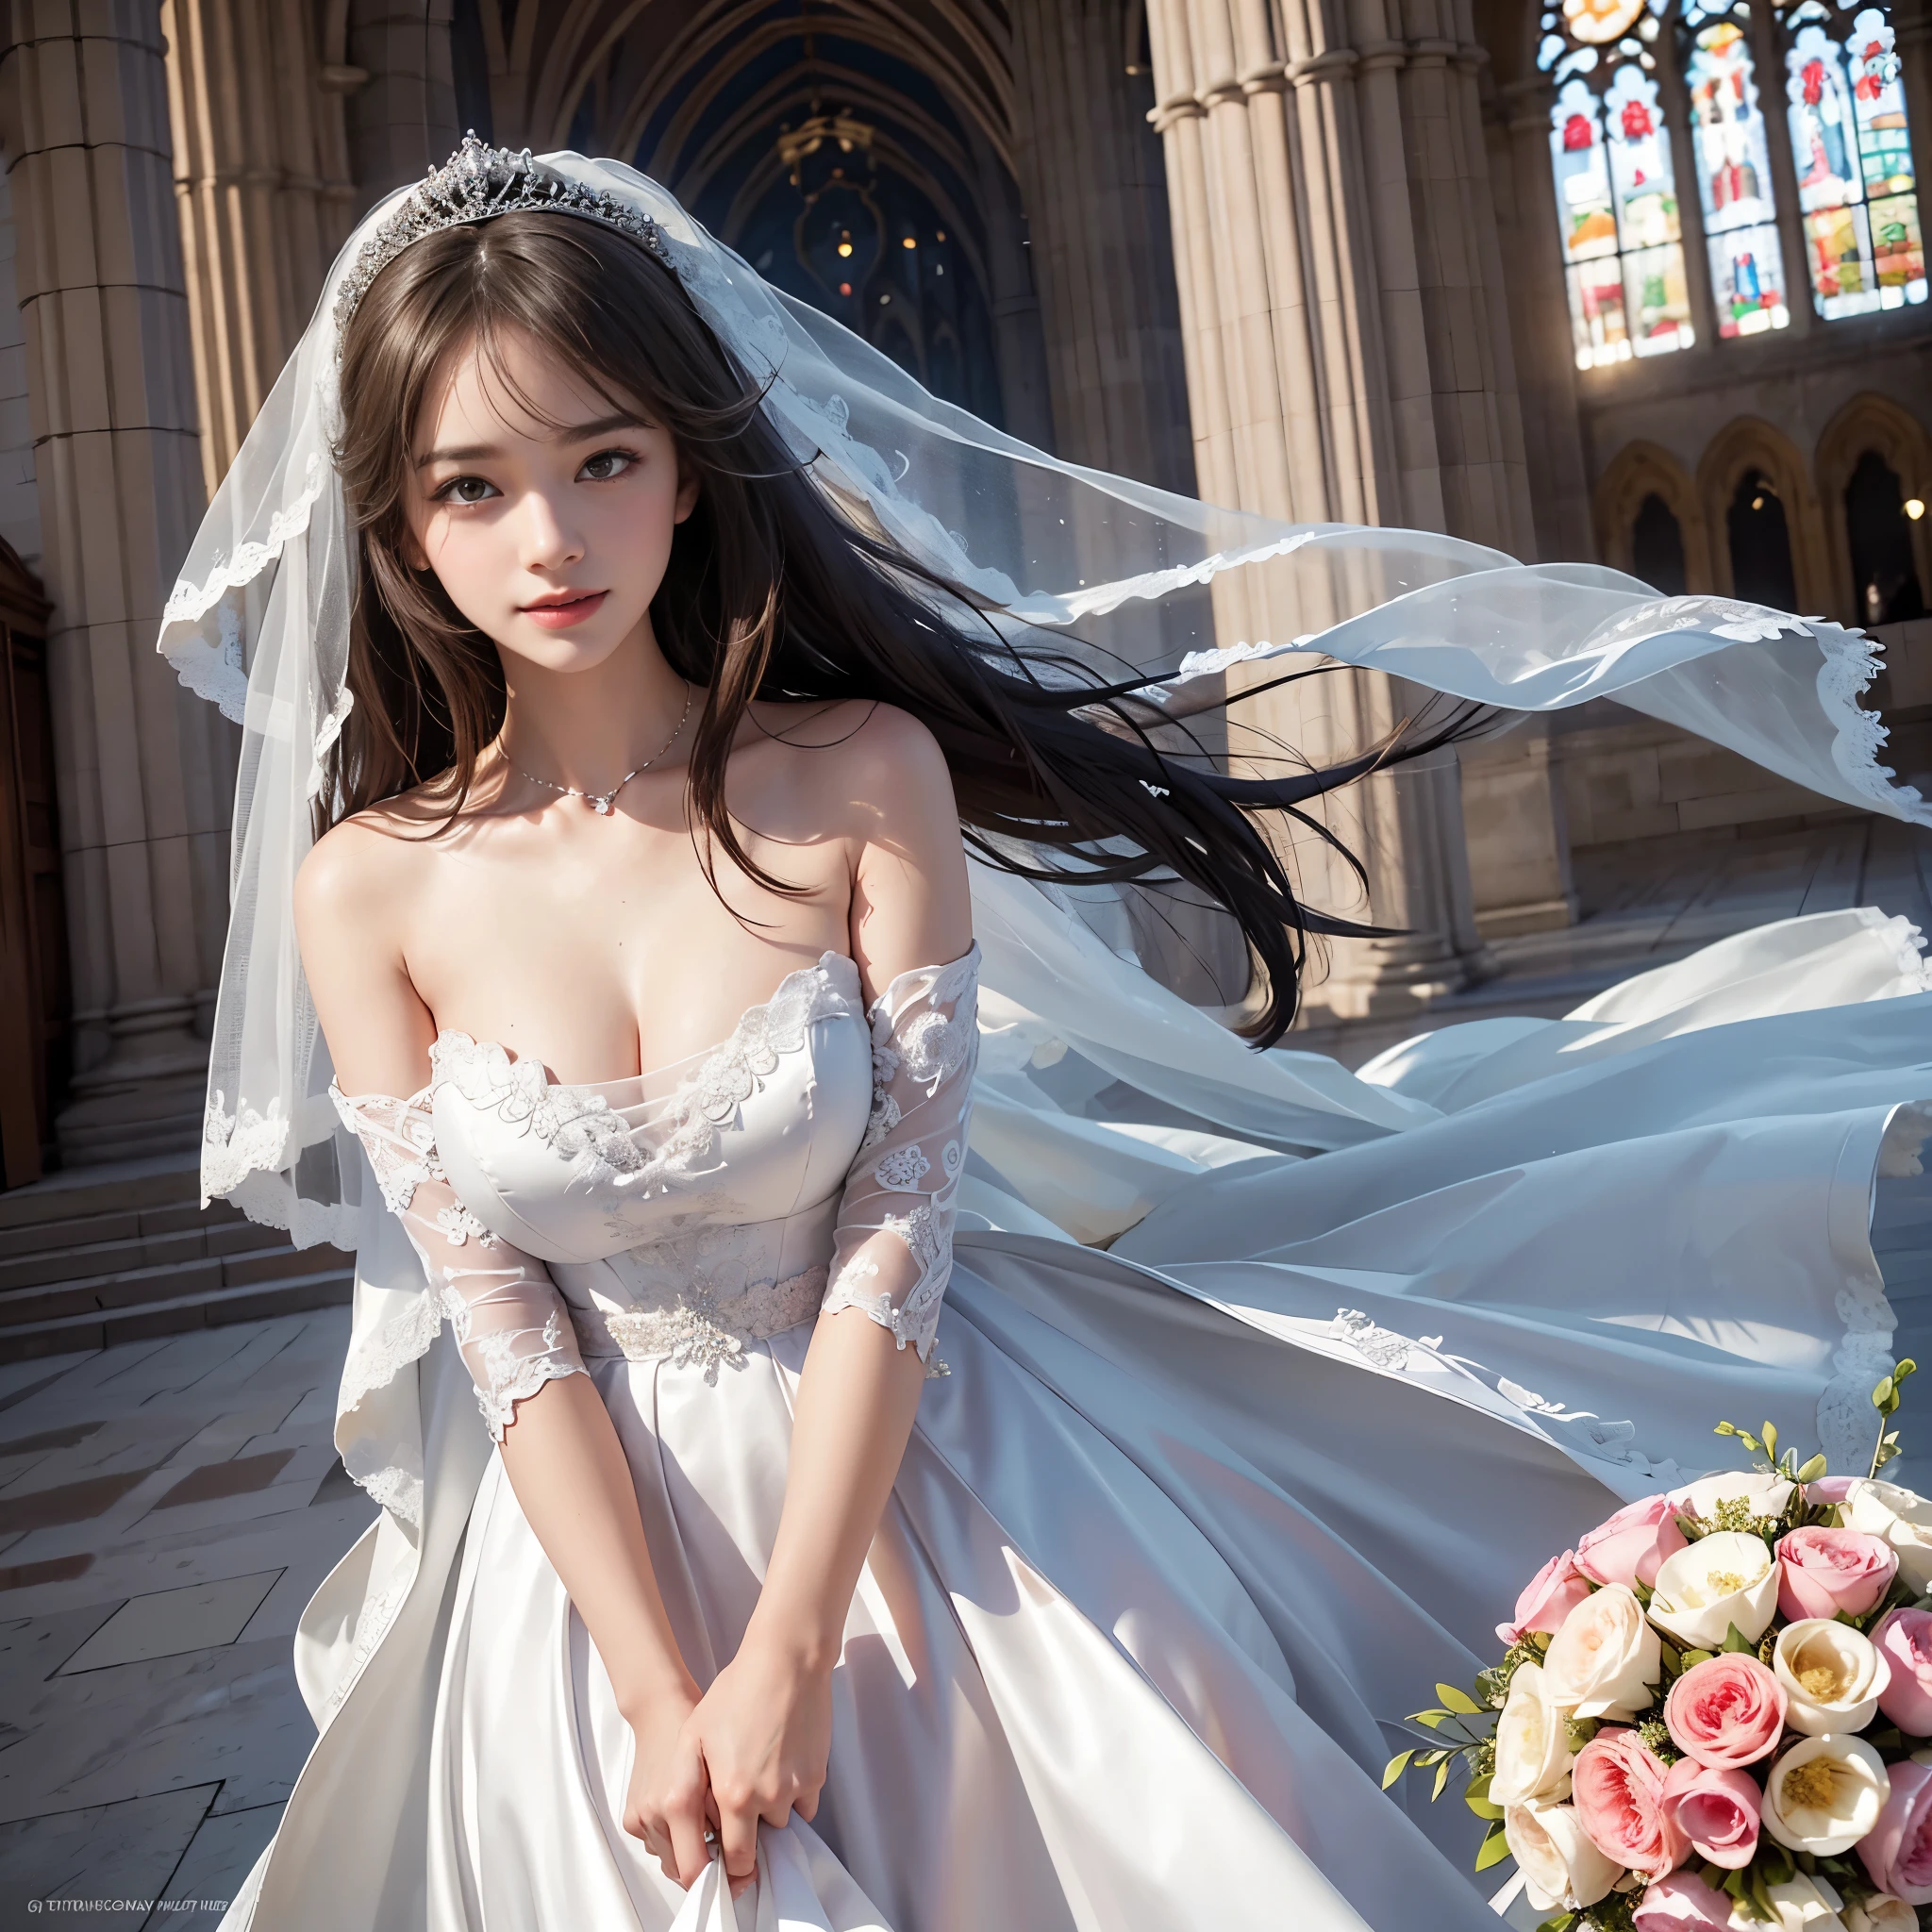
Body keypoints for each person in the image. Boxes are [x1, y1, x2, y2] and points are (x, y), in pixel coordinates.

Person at [160, 140, 1932, 1931]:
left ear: (688, 469)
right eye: (474, 485)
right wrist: (652, 1689)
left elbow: (891, 1243)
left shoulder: (859, 776)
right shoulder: (368, 888)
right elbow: (507, 1335)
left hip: (941, 1455)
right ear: (397, 524)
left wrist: (786, 1649)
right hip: (590, 1579)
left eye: (602, 459)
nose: (549, 538)